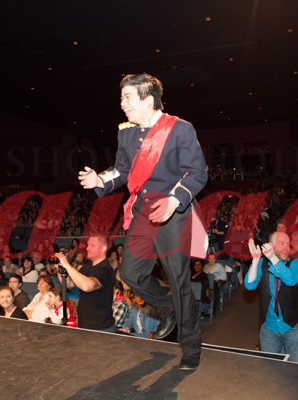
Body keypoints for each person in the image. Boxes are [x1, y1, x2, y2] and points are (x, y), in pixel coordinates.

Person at [78, 74, 207, 370]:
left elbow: (197, 172)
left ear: (148, 100)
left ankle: (190, 346)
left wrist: (174, 201)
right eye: (121, 97)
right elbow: (122, 170)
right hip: (142, 213)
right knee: (130, 274)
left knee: (179, 279)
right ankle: (169, 305)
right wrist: (100, 180)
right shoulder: (126, 133)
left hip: (172, 212)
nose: (122, 104)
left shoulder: (180, 129)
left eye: (127, 98)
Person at [245, 232, 298, 363]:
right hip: (269, 328)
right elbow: (250, 285)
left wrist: (273, 258)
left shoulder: (296, 261)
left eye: (288, 244)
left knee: (296, 371)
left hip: (293, 327)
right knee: (269, 370)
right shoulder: (262, 263)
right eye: (281, 244)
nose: (286, 248)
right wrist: (255, 260)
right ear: (270, 245)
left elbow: (291, 280)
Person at [55, 235, 115, 331]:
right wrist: (60, 269)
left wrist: (67, 265)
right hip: (84, 325)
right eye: (88, 245)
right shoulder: (87, 266)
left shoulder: (105, 269)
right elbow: (69, 284)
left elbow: (87, 286)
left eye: (92, 245)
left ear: (103, 248)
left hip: (100, 328)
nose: (87, 248)